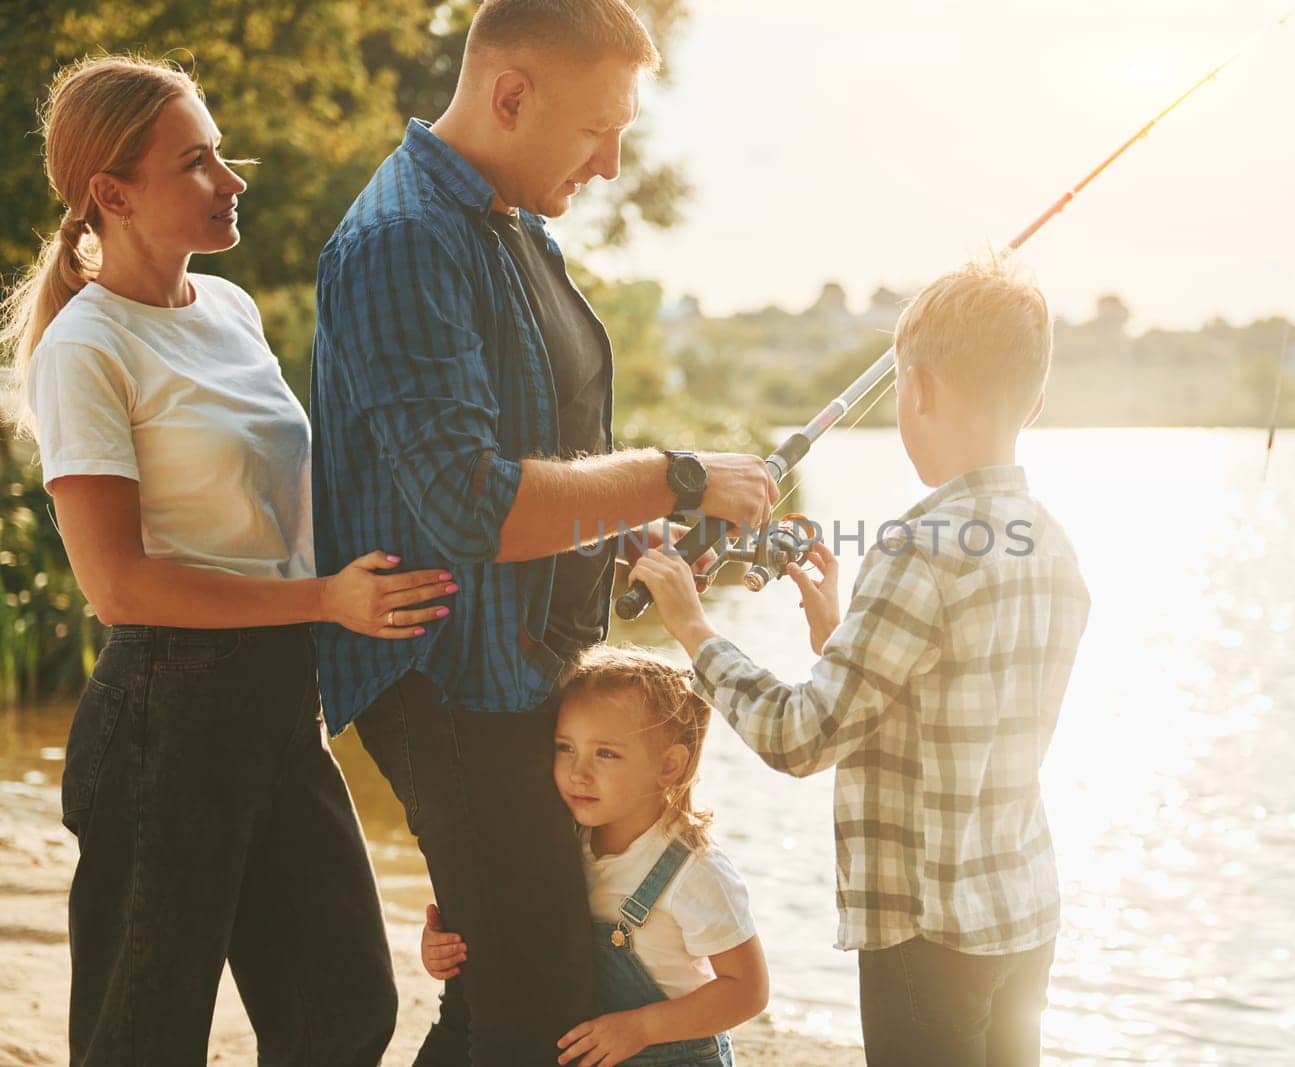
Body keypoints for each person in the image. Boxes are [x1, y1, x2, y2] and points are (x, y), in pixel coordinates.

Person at [310, 1, 777, 1061]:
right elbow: (471, 506)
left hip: (528, 673)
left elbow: (545, 454)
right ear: (510, 94)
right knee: (537, 1010)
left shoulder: (510, 221)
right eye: (597, 129)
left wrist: (640, 540)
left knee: (497, 998)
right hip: (450, 685)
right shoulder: (399, 244)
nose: (611, 164)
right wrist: (678, 474)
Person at [0, 55, 454, 1065]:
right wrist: (325, 598)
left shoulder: (232, 308)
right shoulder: (87, 348)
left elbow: (289, 503)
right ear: (111, 194)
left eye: (224, 155)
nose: (231, 180)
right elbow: (116, 583)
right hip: (165, 717)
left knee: (343, 1009)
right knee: (140, 1039)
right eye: (197, 162)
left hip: (284, 703)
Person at [629, 256, 1093, 1067]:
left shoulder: (919, 546)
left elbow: (801, 739)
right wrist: (840, 634)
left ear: (918, 389)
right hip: (1020, 914)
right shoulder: (1052, 542)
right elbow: (959, 698)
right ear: (1037, 401)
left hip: (927, 929)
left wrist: (694, 627)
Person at [420, 645, 768, 1067]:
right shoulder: (562, 842)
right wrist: (446, 946)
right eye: (565, 747)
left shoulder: (695, 871)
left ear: (669, 766)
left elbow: (747, 990)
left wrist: (642, 1027)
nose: (577, 772)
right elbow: (510, 926)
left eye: (606, 753)